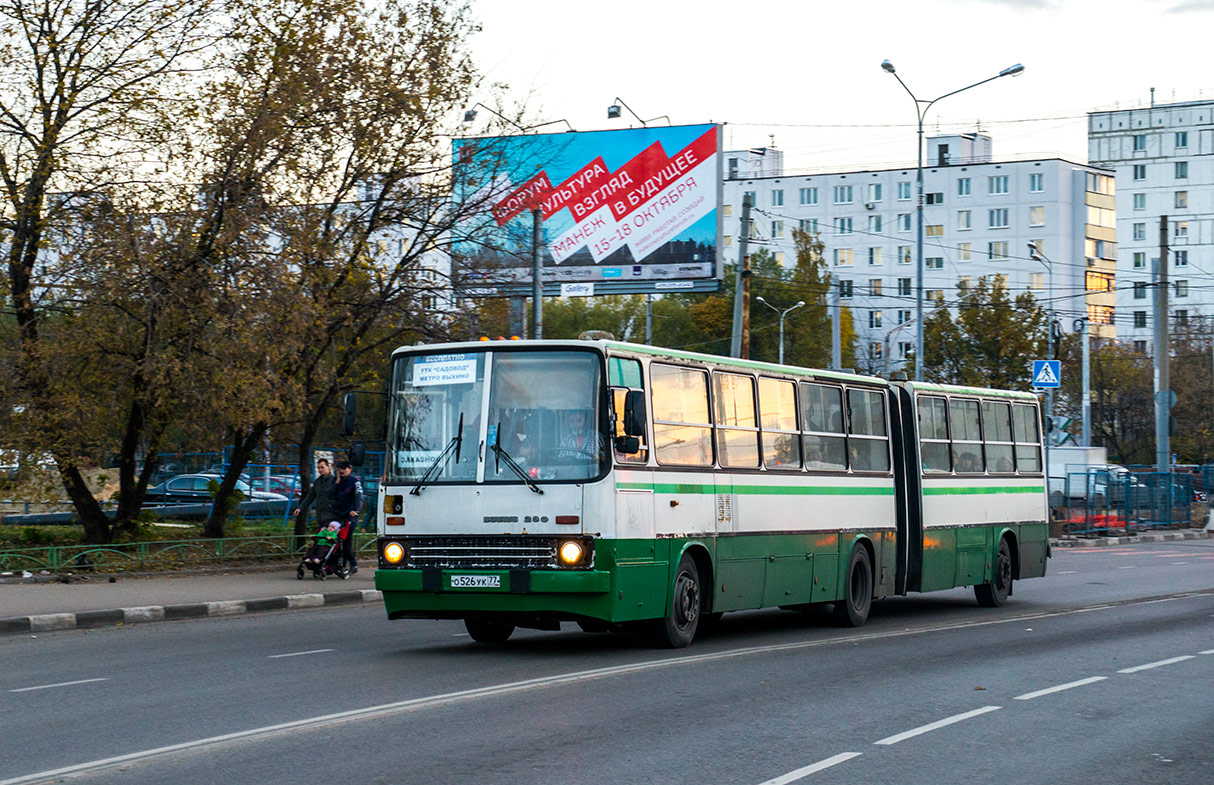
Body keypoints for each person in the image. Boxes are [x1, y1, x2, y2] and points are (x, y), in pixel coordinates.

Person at [333, 460, 365, 574]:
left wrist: (355, 511)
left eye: (344, 469)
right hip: (338, 514)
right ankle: (341, 564)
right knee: (338, 540)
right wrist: (336, 483)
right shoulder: (337, 482)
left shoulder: (354, 482)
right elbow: (332, 497)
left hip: (350, 516)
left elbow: (359, 497)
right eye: (339, 469)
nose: (341, 471)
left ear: (350, 470)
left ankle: (352, 564)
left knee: (346, 540)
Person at [294, 458, 336, 528]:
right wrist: (300, 508)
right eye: (318, 468)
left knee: (328, 535)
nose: (320, 470)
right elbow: (310, 496)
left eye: (322, 467)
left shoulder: (334, 481)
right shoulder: (317, 482)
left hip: (332, 514)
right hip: (320, 513)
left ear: (328, 467)